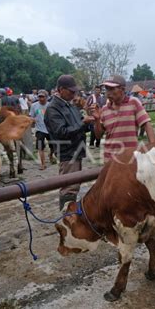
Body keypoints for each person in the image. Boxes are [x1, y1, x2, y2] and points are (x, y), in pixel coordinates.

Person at [44, 75, 95, 210]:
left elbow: (79, 126)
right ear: (61, 90)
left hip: (76, 150)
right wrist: (83, 123)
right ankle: (67, 219)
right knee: (69, 188)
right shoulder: (53, 109)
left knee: (74, 185)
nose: (74, 94)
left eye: (75, 91)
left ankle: (70, 218)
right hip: (67, 152)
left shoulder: (70, 105)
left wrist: (88, 122)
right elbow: (61, 132)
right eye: (71, 91)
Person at [90, 74, 155, 162]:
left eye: (112, 89)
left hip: (130, 158)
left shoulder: (133, 103)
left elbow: (147, 124)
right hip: (110, 160)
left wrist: (154, 148)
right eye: (107, 89)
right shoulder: (105, 109)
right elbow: (98, 136)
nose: (108, 93)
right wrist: (97, 120)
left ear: (123, 89)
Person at [30, 90, 56, 170]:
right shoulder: (34, 106)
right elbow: (31, 116)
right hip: (39, 129)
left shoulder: (50, 105)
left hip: (50, 129)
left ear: (47, 97)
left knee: (53, 146)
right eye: (39, 97)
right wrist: (33, 120)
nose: (41, 98)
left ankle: (51, 155)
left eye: (43, 97)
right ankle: (43, 164)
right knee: (40, 147)